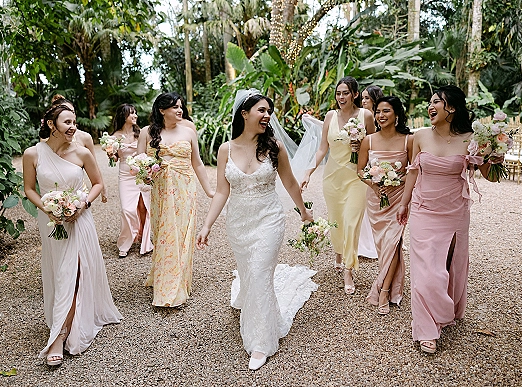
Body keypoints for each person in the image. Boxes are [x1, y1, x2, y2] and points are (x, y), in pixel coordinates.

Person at [196, 89, 315, 371]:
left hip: (269, 219)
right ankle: (247, 298)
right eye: (261, 110)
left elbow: (289, 182)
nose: (267, 115)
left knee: (260, 272)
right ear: (244, 113)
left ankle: (261, 342)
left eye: (268, 111)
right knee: (249, 272)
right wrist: (206, 225)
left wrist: (304, 212)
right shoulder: (225, 149)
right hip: (238, 222)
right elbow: (222, 192)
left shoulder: (275, 146)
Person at [396, 85, 501, 354]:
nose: (430, 107)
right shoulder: (418, 136)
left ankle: (446, 311)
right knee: (426, 272)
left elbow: (489, 176)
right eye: (429, 103)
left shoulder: (471, 138)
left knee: (447, 266)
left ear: (451, 108)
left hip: (454, 211)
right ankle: (426, 329)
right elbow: (412, 172)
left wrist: (493, 156)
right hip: (423, 209)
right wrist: (404, 203)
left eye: (436, 102)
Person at [22, 102, 122, 366]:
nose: (73, 126)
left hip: (80, 220)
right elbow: (29, 189)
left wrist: (82, 205)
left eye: (74, 121)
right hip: (51, 222)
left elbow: (98, 183)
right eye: (67, 122)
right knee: (59, 273)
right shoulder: (32, 154)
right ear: (51, 125)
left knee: (73, 272)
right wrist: (48, 208)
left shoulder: (82, 153)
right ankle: (64, 320)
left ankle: (60, 335)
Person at [136, 92, 214, 307]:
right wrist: (145, 173)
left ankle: (173, 286)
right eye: (174, 107)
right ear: (162, 110)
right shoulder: (146, 132)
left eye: (180, 106)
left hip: (184, 189)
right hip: (161, 189)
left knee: (181, 233)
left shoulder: (188, 132)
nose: (180, 110)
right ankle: (163, 273)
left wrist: (209, 190)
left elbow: (197, 163)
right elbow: (139, 163)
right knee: (163, 232)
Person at [300, 76, 375, 294]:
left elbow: (374, 144)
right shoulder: (330, 116)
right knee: (336, 221)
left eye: (345, 93)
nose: (341, 97)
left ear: (355, 95)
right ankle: (339, 252)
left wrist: (361, 147)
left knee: (352, 221)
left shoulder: (366, 115)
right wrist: (309, 171)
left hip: (356, 178)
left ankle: (348, 269)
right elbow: (323, 148)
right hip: (333, 178)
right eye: (338, 93)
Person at [357, 96, 413, 315]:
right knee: (386, 246)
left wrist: (405, 199)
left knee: (395, 241)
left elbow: (413, 171)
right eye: (378, 111)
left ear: (396, 114)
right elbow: (360, 170)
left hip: (399, 198)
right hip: (376, 199)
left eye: (386, 111)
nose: (381, 115)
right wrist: (374, 182)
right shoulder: (368, 141)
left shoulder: (409, 140)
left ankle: (383, 290)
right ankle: (391, 285)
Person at [111, 104, 153, 257]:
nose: (135, 116)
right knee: (127, 209)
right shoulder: (114, 136)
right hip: (125, 175)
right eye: (132, 113)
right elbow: (115, 158)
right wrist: (111, 155)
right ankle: (126, 241)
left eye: (135, 113)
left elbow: (148, 152)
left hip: (140, 173)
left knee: (143, 207)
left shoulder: (141, 133)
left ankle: (143, 238)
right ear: (124, 116)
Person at [50, 94, 108, 203]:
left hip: (78, 193)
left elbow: (94, 164)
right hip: (53, 194)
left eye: (72, 112)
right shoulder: (46, 140)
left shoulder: (85, 137)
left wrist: (103, 187)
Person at [358, 85, 385, 260]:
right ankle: (363, 243)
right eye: (362, 98)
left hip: (376, 163)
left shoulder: (383, 118)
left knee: (378, 202)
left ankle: (381, 238)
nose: (364, 101)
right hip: (361, 164)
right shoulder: (358, 118)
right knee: (361, 203)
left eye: (367, 98)